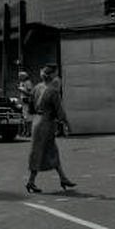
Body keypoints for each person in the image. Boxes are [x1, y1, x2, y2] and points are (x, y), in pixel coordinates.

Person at [25, 63, 76, 193]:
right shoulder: (53, 91)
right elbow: (60, 112)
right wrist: (67, 125)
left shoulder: (37, 88)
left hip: (37, 121)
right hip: (47, 123)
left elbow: (30, 108)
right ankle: (32, 181)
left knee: (48, 150)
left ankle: (62, 177)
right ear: (52, 75)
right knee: (43, 151)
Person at [17, 70, 34, 137]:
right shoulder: (22, 83)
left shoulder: (28, 83)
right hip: (23, 101)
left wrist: (22, 90)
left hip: (27, 101)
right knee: (24, 117)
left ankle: (28, 131)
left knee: (28, 117)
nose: (19, 78)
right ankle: (24, 131)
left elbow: (30, 93)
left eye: (20, 76)